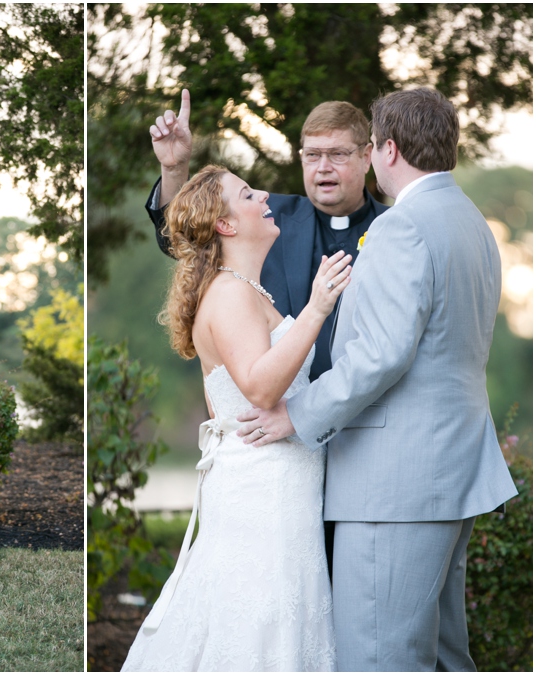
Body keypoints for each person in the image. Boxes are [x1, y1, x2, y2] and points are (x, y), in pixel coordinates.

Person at [237, 88, 518, 671]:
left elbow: (382, 356)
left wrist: (297, 413)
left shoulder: (403, 226)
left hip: (395, 485)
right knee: (441, 657)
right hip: (448, 471)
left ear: (386, 150)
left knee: (377, 657)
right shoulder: (470, 221)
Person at [121, 165, 352, 671]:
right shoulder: (228, 293)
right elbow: (260, 387)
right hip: (261, 492)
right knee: (257, 620)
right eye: (248, 193)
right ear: (225, 224)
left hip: (274, 483)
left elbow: (222, 401)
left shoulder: (246, 290)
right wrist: (316, 309)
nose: (265, 194)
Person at [147, 89, 388, 381]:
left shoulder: (395, 228)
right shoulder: (265, 217)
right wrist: (174, 169)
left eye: (337, 154)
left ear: (366, 158)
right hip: (280, 410)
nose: (323, 167)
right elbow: (184, 239)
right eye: (312, 155)